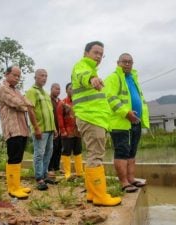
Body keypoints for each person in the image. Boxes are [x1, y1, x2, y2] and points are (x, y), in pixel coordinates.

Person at [71, 41, 121, 206]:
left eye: (101, 54)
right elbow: (83, 76)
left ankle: (92, 194)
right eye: (95, 52)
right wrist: (92, 79)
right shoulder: (82, 66)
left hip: (94, 118)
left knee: (93, 155)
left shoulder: (89, 68)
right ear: (86, 53)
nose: (98, 56)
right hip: (91, 118)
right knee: (96, 156)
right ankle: (100, 196)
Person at [104, 53, 150, 193]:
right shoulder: (113, 78)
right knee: (122, 152)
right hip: (120, 122)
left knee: (132, 152)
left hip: (135, 122)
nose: (127, 64)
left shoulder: (133, 78)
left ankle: (131, 178)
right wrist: (126, 113)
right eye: (124, 62)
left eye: (130, 62)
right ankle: (123, 182)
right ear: (118, 63)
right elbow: (110, 98)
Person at [0, 66, 33, 200]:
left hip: (22, 128)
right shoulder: (2, 89)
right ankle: (12, 188)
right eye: (14, 75)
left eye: (19, 76)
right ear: (6, 74)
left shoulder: (16, 90)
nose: (17, 78)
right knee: (13, 157)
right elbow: (16, 102)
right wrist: (26, 105)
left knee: (18, 157)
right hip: (12, 129)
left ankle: (17, 185)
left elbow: (25, 103)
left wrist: (25, 104)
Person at [26, 69, 57, 191]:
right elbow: (30, 110)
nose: (44, 78)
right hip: (40, 129)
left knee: (48, 153)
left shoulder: (45, 93)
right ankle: (39, 178)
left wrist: (54, 128)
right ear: (35, 77)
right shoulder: (31, 91)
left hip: (49, 129)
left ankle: (44, 175)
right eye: (42, 76)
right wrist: (36, 128)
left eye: (46, 76)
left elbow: (50, 112)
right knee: (39, 154)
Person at [56, 83, 84, 180]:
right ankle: (67, 173)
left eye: (74, 89)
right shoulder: (62, 103)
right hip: (67, 132)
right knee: (66, 152)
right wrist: (62, 130)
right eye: (70, 89)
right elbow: (59, 118)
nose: (72, 90)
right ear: (66, 90)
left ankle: (79, 172)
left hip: (78, 131)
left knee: (78, 151)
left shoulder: (79, 103)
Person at [48, 83, 62, 177]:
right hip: (52, 128)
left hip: (60, 129)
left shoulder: (60, 101)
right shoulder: (48, 100)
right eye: (56, 89)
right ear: (51, 89)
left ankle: (57, 168)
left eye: (59, 89)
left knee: (59, 148)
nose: (58, 91)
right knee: (51, 149)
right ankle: (50, 168)